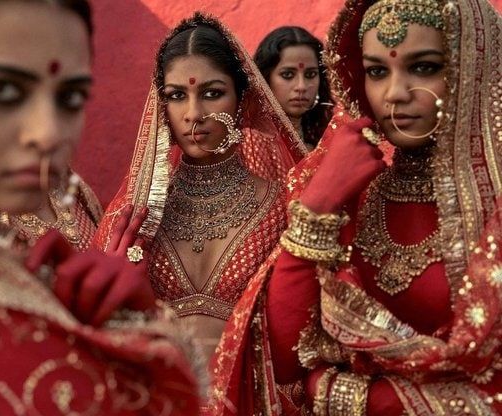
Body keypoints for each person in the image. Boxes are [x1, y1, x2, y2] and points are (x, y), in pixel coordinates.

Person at [0, 1, 200, 414]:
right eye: (3, 90)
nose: (48, 132)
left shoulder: (45, 209)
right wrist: (154, 339)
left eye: (71, 96)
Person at [211, 0, 502, 415]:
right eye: (377, 71)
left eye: (424, 67)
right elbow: (282, 358)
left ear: (475, 68)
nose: (395, 95)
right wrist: (318, 205)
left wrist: (348, 396)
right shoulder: (356, 196)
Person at [94, 12, 303, 403]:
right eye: (176, 95)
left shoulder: (282, 208)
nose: (193, 114)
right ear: (160, 105)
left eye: (211, 93)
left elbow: (300, 339)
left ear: (242, 100)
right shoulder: (134, 220)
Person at [254, 26, 334, 152]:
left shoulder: (325, 140)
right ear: (265, 78)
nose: (301, 86)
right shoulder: (254, 144)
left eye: (310, 75)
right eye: (287, 75)